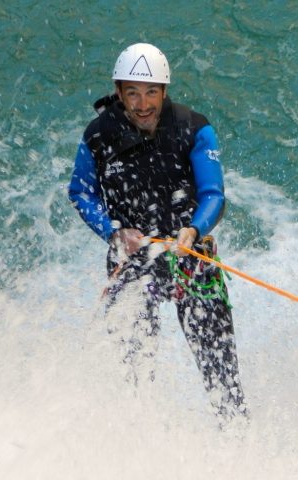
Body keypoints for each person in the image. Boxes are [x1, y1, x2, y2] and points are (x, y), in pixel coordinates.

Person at [68, 42, 248, 422]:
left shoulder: (194, 127)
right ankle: (140, 442)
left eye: (151, 92)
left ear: (164, 92)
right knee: (132, 373)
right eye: (132, 93)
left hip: (190, 258)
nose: (142, 103)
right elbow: (81, 191)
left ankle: (236, 435)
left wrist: (194, 230)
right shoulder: (99, 135)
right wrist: (113, 233)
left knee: (222, 374)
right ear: (118, 93)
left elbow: (214, 194)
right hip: (131, 263)